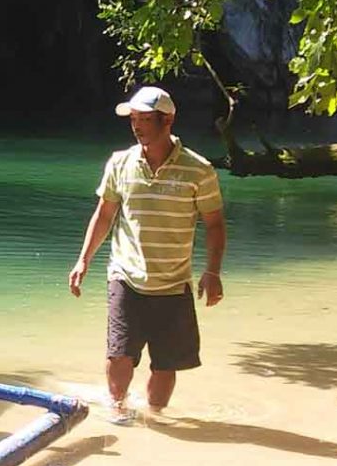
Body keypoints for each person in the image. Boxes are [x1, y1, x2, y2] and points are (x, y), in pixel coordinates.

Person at [67, 86, 227, 425]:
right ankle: (117, 411)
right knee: (120, 353)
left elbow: (214, 224)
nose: (137, 126)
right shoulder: (120, 163)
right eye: (133, 120)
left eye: (145, 120)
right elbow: (105, 214)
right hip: (125, 274)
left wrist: (212, 272)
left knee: (166, 363)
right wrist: (83, 260)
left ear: (167, 120)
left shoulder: (199, 170)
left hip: (173, 280)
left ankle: (155, 419)